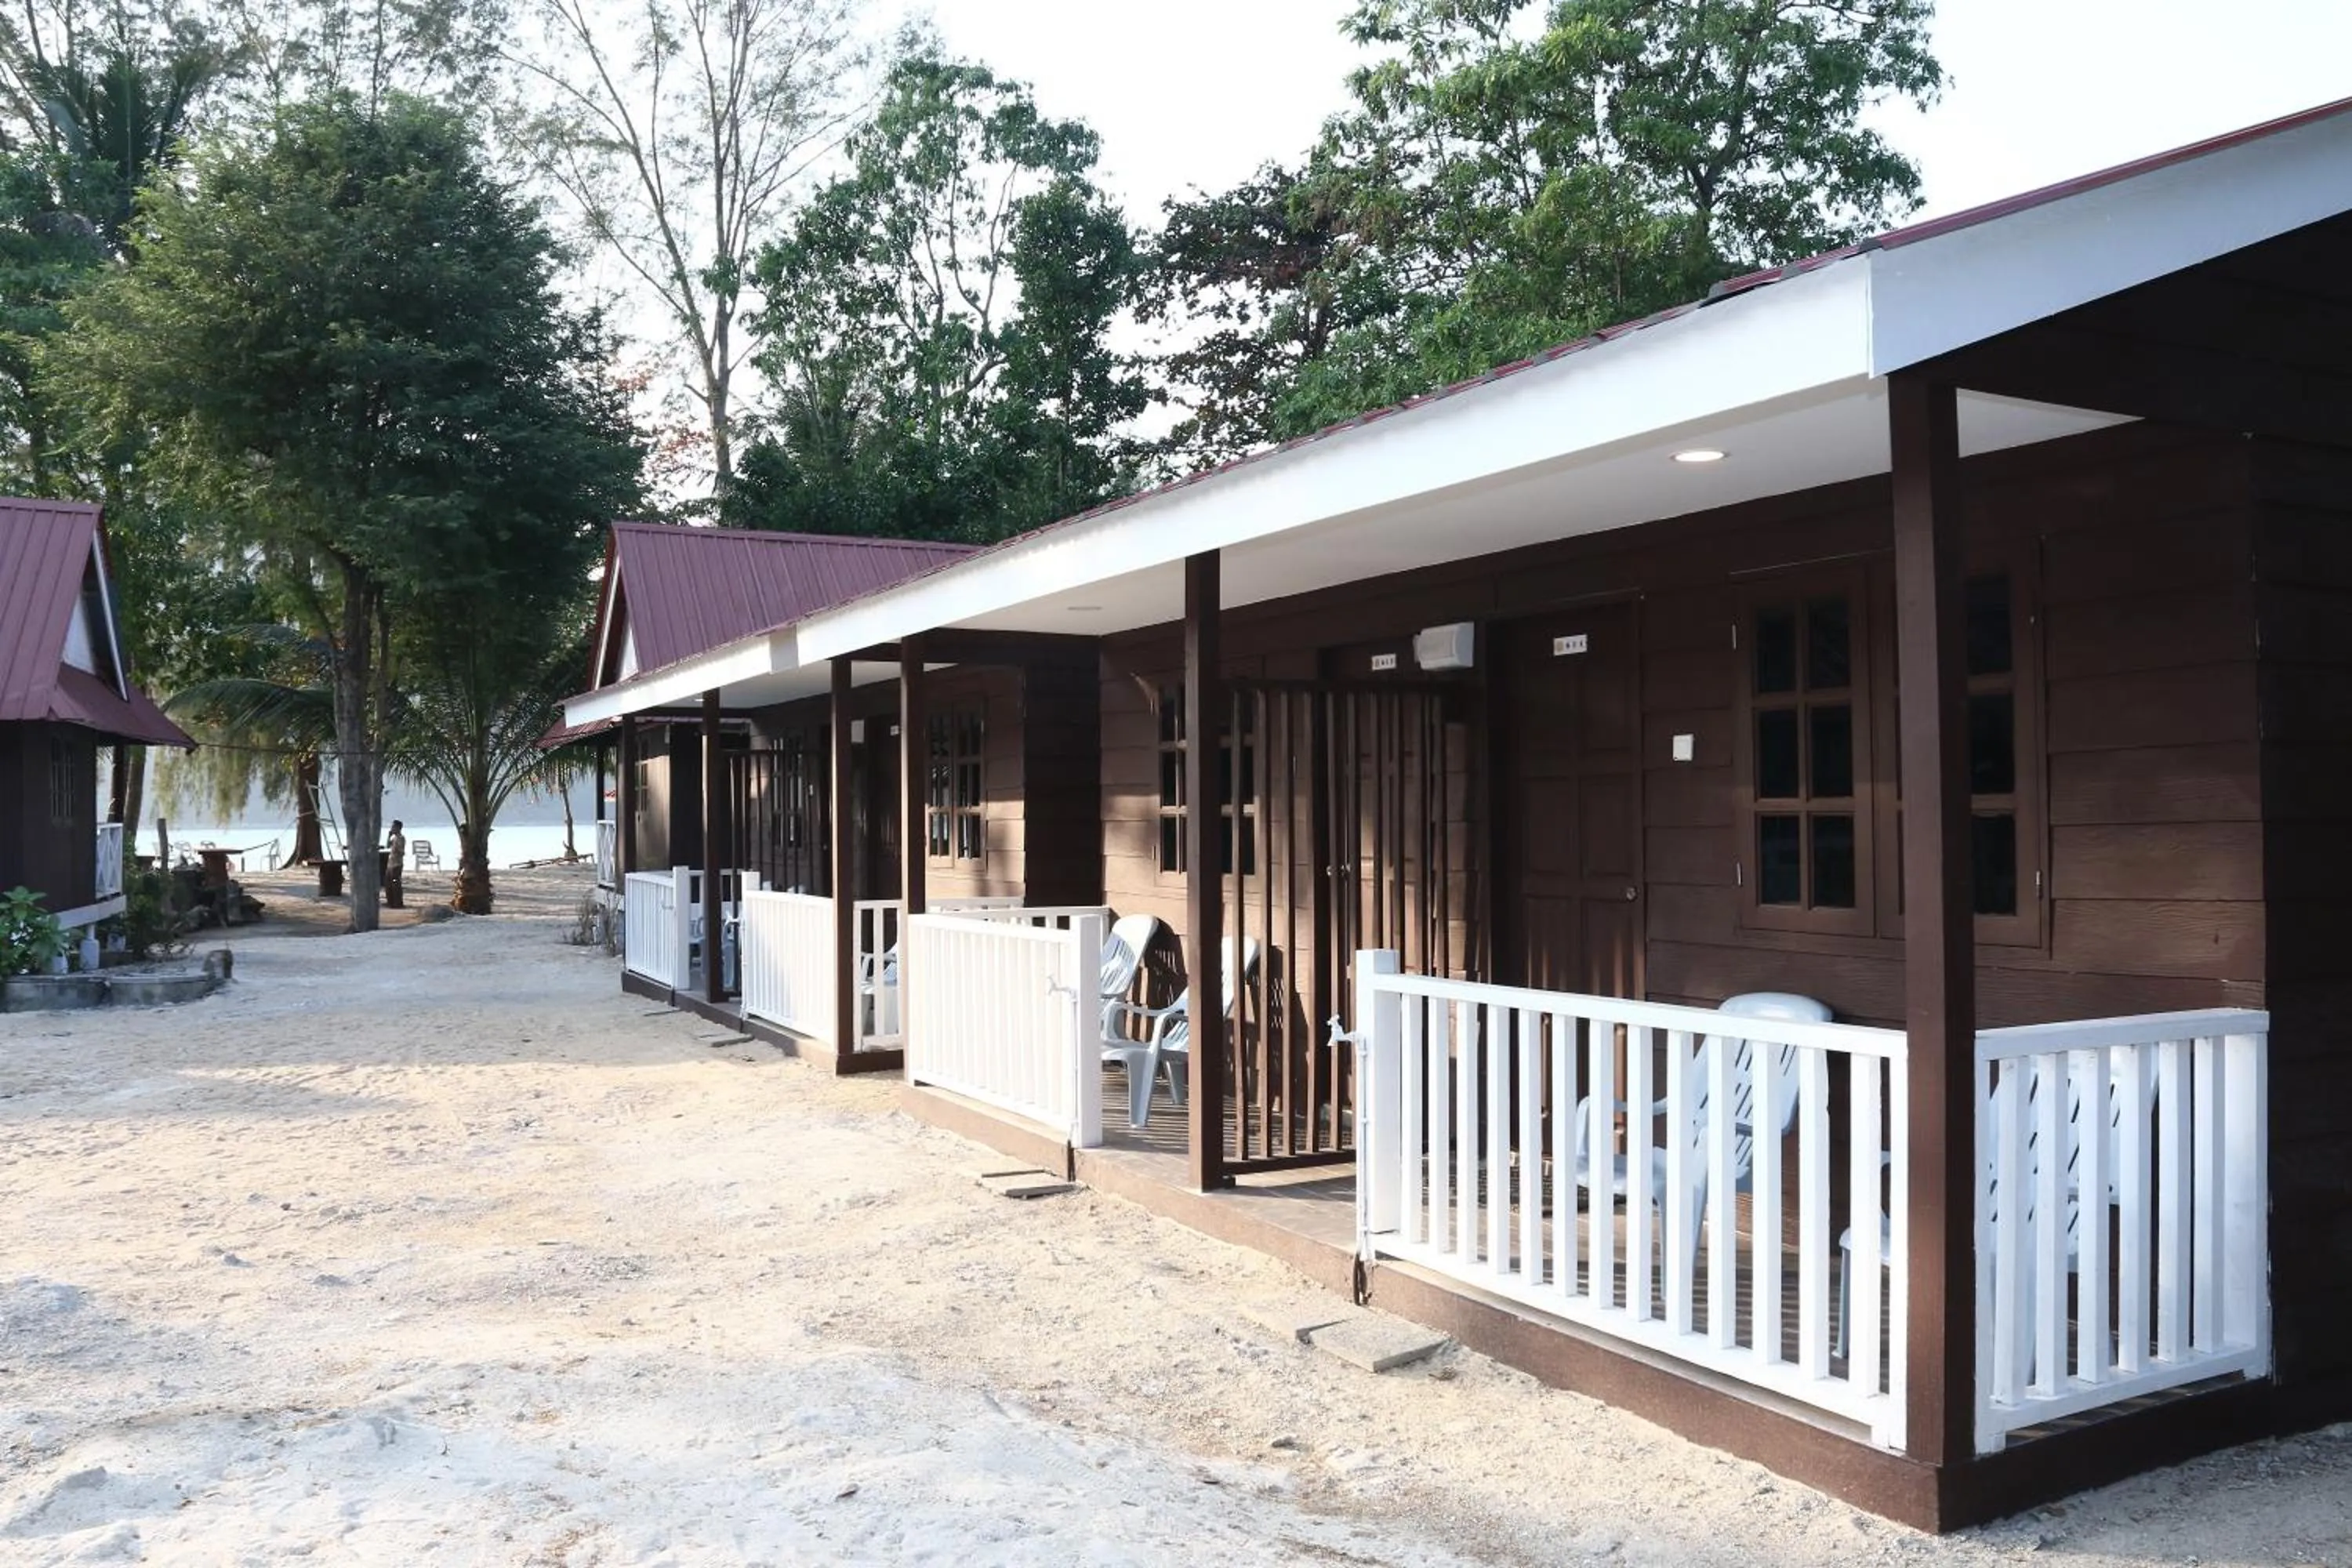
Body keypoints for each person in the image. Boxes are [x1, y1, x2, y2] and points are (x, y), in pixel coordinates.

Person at [384, 819, 406, 909]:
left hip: (397, 864)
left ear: (398, 828)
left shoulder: (401, 838)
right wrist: (389, 836)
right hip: (390, 864)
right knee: (388, 884)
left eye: (393, 827)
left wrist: (398, 850)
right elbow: (387, 846)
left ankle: (397, 903)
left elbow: (401, 851)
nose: (392, 828)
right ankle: (390, 902)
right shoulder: (394, 838)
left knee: (395, 884)